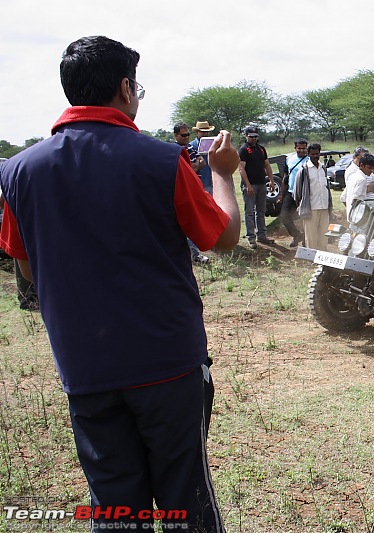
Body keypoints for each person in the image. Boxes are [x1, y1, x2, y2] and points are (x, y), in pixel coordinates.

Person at [0, 35, 240, 532]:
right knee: (184, 495)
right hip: (168, 363)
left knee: (112, 503)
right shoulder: (159, 160)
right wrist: (222, 174)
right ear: (126, 88)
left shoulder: (20, 171)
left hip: (85, 366)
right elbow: (224, 239)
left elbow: (26, 269)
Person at [174, 122, 210, 263]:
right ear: (176, 135)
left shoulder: (189, 147)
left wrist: (194, 166)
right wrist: (194, 166)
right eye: (183, 135)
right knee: (188, 221)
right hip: (185, 189)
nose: (186, 137)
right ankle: (194, 255)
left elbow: (202, 162)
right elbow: (187, 169)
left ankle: (194, 253)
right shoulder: (175, 150)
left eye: (188, 134)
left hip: (197, 185)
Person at [239, 126, 276, 248]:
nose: (254, 139)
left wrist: (271, 180)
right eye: (251, 137)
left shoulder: (261, 149)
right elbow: (241, 169)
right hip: (250, 185)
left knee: (261, 211)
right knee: (249, 212)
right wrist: (248, 185)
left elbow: (267, 165)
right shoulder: (243, 150)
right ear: (246, 136)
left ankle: (262, 235)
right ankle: (251, 238)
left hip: (261, 183)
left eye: (256, 136)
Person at [294, 143, 332, 251]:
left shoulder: (323, 168)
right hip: (311, 208)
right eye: (313, 154)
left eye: (317, 154)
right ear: (308, 154)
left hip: (324, 207)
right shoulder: (304, 170)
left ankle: (323, 258)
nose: (315, 156)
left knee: (324, 235)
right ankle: (312, 259)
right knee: (311, 236)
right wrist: (302, 206)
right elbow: (297, 193)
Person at [280, 138, 308, 247]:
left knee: (306, 217)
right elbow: (286, 177)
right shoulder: (289, 159)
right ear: (295, 148)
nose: (301, 151)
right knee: (284, 216)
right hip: (291, 192)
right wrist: (282, 194)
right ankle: (297, 235)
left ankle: (306, 239)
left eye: (304, 148)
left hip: (305, 194)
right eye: (299, 148)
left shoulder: (310, 160)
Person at [189, 120, 214, 193]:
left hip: (212, 183)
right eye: (203, 132)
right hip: (199, 183)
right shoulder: (191, 147)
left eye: (207, 132)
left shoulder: (213, 144)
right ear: (197, 132)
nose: (205, 134)